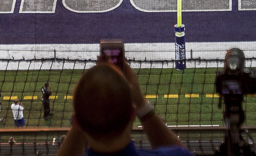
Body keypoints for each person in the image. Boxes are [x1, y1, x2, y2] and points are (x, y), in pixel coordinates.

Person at [55, 52, 189, 156]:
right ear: (132, 114)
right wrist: (142, 105)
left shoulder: (80, 122)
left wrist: (84, 114)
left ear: (77, 122)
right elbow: (180, 152)